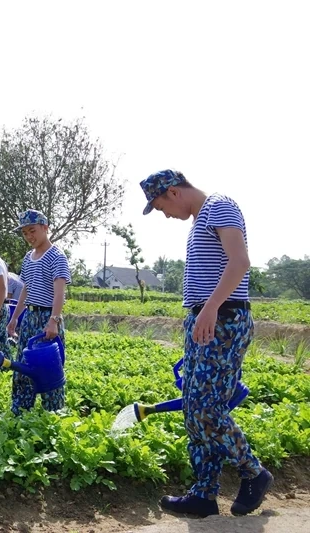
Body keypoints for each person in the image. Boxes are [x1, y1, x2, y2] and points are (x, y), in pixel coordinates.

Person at [140, 169, 271, 518]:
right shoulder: (200, 219)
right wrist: (201, 313)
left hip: (224, 319)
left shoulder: (219, 206)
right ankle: (204, 494)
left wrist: (211, 308)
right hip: (205, 320)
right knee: (194, 408)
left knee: (206, 409)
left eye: (161, 207)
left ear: (173, 192)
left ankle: (254, 472)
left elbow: (240, 262)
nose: (166, 215)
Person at [6, 210, 70, 413]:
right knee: (23, 366)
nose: (29, 236)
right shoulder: (28, 258)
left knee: (49, 369)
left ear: (45, 227)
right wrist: (15, 318)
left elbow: (59, 292)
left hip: (47, 317)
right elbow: (26, 289)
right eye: (25, 233)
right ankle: (20, 409)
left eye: (32, 231)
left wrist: (54, 320)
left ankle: (53, 411)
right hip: (30, 317)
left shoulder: (56, 256)